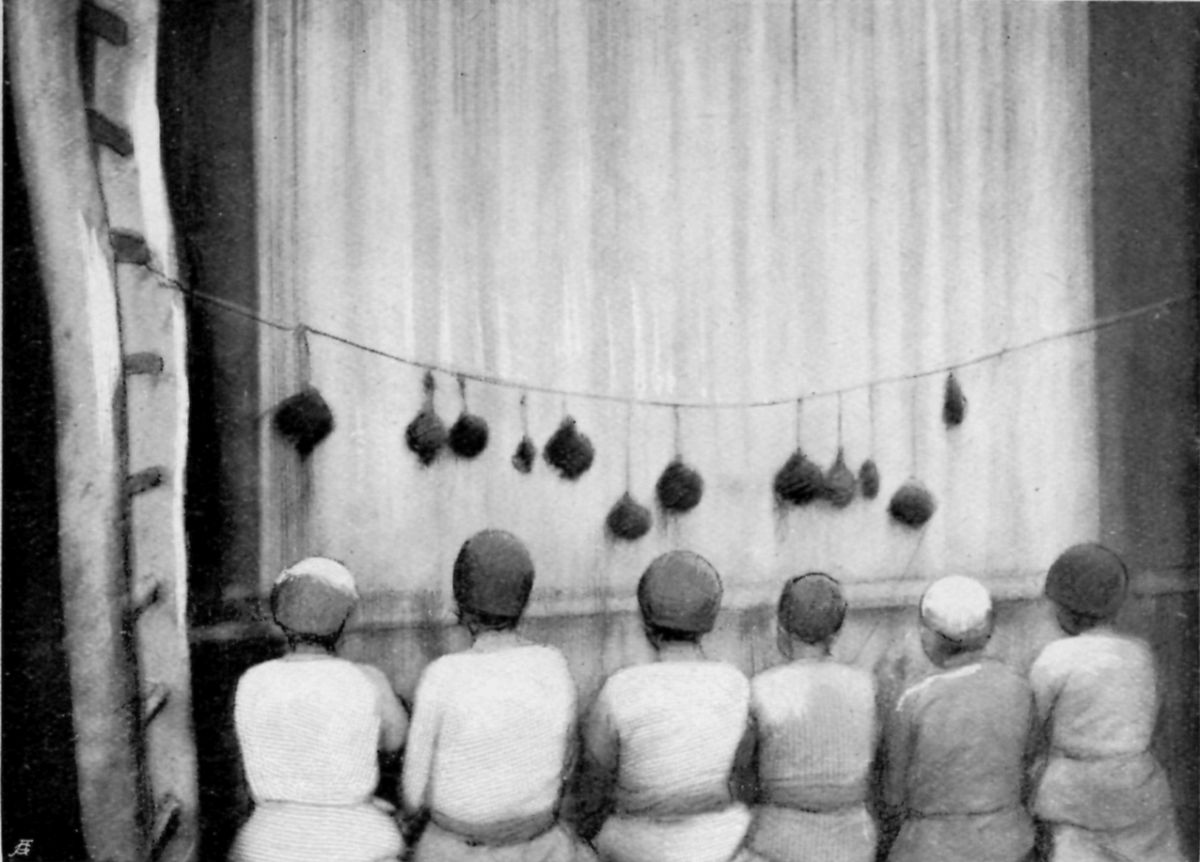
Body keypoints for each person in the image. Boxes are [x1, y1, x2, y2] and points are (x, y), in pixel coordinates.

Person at [402, 529, 596, 862]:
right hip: (541, 848)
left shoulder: (441, 675)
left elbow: (413, 795)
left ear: (460, 601)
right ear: (524, 599)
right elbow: (566, 767)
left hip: (455, 851)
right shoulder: (553, 665)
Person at [578, 550, 756, 862]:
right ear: (711, 620)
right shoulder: (735, 685)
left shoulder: (620, 689)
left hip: (637, 844)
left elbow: (594, 784)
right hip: (718, 843)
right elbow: (743, 776)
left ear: (645, 621)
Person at [231, 557, 408, 862]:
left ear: (279, 617)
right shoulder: (368, 680)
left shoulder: (253, 681)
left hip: (271, 842)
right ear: (346, 620)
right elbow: (395, 740)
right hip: (353, 841)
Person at [1029, 543, 1185, 862]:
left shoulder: (1054, 658)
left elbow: (1033, 726)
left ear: (1063, 608)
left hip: (1074, 797)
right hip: (1137, 787)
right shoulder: (1139, 654)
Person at [881, 575, 1035, 862]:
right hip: (1008, 843)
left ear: (930, 636)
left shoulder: (915, 701)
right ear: (988, 631)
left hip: (930, 849)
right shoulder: (1019, 689)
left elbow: (893, 795)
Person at [744, 573, 877, 862]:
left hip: (779, 841)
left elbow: (744, 777)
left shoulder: (762, 688)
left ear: (782, 626)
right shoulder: (866, 686)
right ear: (837, 631)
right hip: (852, 843)